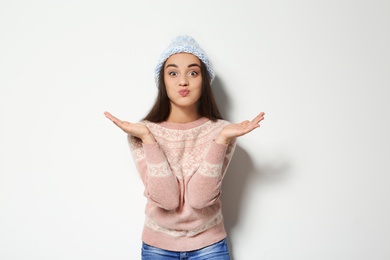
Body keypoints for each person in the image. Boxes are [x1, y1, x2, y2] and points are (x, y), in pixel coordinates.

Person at [104, 35, 265, 260]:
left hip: (209, 246)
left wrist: (220, 141)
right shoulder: (141, 133)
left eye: (193, 72)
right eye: (173, 73)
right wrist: (149, 140)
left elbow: (200, 200)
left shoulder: (223, 131)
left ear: (204, 80)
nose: (183, 81)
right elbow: (167, 201)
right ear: (163, 81)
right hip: (157, 247)